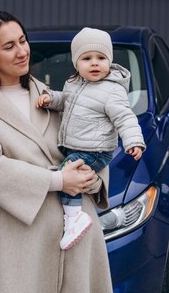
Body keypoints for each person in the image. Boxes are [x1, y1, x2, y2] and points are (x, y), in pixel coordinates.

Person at [0, 11, 113, 293]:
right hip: (19, 236)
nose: (21, 52)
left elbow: (95, 137)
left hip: (77, 234)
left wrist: (93, 176)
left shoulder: (51, 94)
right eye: (9, 46)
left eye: (23, 41)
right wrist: (58, 181)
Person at [35, 27, 146, 250]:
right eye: (87, 58)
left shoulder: (112, 91)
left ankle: (75, 218)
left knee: (68, 172)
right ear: (77, 63)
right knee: (68, 169)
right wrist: (50, 99)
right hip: (77, 145)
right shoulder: (73, 84)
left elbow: (125, 117)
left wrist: (134, 141)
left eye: (101, 58)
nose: (94, 63)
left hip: (95, 151)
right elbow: (66, 101)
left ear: (110, 61)